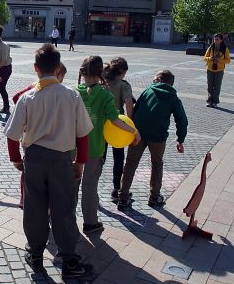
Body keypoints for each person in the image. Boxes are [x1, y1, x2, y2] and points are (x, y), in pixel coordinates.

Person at [4, 44, 93, 279]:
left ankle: (35, 254)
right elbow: (83, 133)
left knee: (35, 208)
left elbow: (12, 135)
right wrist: (80, 162)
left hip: (34, 158)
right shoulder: (71, 94)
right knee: (64, 210)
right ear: (58, 68)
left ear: (35, 68)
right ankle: (70, 260)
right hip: (63, 159)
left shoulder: (27, 97)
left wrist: (16, 160)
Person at [77, 56, 140, 233]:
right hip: (94, 149)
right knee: (89, 187)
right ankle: (90, 223)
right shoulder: (105, 94)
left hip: (73, 149)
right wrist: (134, 131)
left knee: (71, 186)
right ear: (100, 73)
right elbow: (115, 120)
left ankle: (65, 222)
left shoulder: (74, 92)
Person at [117, 70, 188, 210]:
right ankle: (154, 197)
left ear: (159, 80)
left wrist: (132, 130)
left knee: (130, 164)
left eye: (154, 79)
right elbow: (182, 120)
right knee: (157, 164)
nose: (153, 81)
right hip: (158, 137)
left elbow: (136, 110)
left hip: (139, 134)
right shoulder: (173, 97)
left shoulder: (147, 91)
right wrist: (180, 140)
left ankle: (123, 198)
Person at [12, 62, 67, 208]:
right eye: (61, 77)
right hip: (50, 141)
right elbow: (16, 98)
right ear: (57, 74)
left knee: (28, 171)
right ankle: (43, 205)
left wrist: (28, 114)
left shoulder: (33, 87)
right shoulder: (63, 92)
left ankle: (25, 199)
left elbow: (16, 97)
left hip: (30, 139)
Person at [103, 57, 135, 202]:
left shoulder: (103, 82)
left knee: (99, 158)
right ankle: (116, 189)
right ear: (122, 72)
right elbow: (129, 103)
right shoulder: (123, 85)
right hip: (118, 126)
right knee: (118, 158)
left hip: (102, 125)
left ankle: (91, 188)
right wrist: (131, 124)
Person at [204, 33, 230, 108]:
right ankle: (209, 101)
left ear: (221, 40)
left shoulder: (225, 49)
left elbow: (228, 60)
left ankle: (215, 102)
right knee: (209, 86)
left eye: (217, 39)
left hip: (219, 70)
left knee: (217, 87)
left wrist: (220, 60)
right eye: (214, 39)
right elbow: (205, 58)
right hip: (210, 69)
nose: (215, 41)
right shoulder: (210, 48)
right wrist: (210, 58)